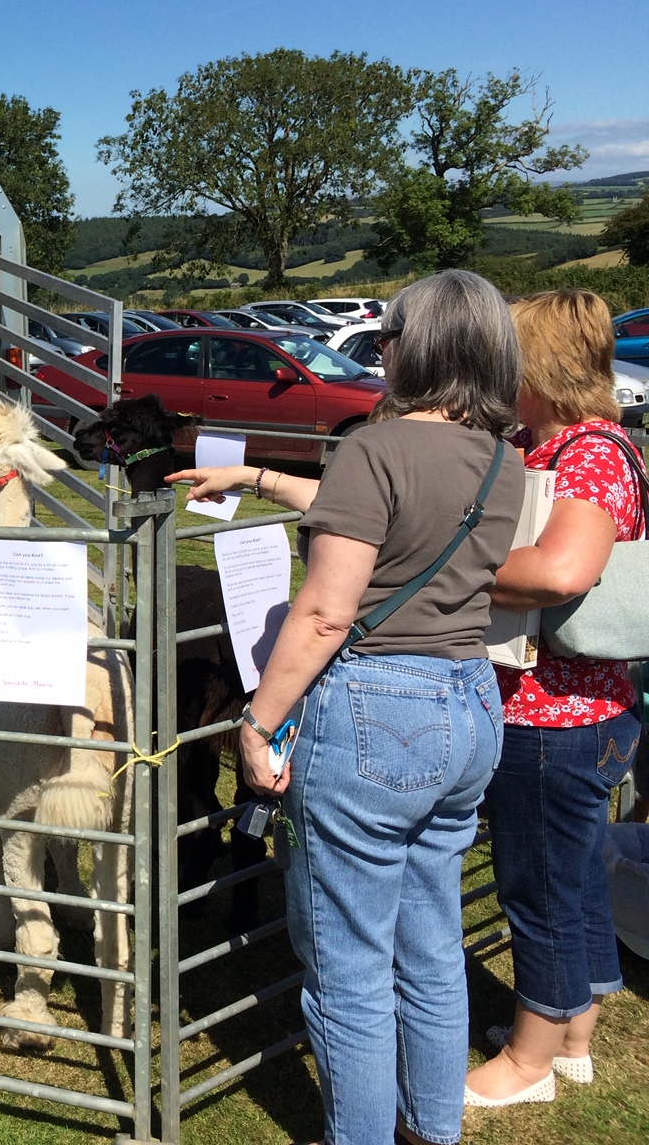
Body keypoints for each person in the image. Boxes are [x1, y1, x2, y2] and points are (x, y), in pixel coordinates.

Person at [171, 269, 525, 1145]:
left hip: (376, 711)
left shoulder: (376, 446)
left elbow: (328, 609)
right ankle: (429, 1131)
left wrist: (256, 723)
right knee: (434, 948)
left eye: (394, 333)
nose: (386, 347)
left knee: (350, 970)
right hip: (469, 701)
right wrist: (259, 476)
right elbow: (391, 522)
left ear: (420, 345)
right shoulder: (500, 461)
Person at [465, 289, 643, 1107]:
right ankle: (573, 1033)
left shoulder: (587, 456)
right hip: (579, 710)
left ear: (538, 368)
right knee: (571, 877)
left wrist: (446, 570)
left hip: (552, 714)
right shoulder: (554, 444)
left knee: (535, 888)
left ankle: (527, 1065)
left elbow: (562, 573)